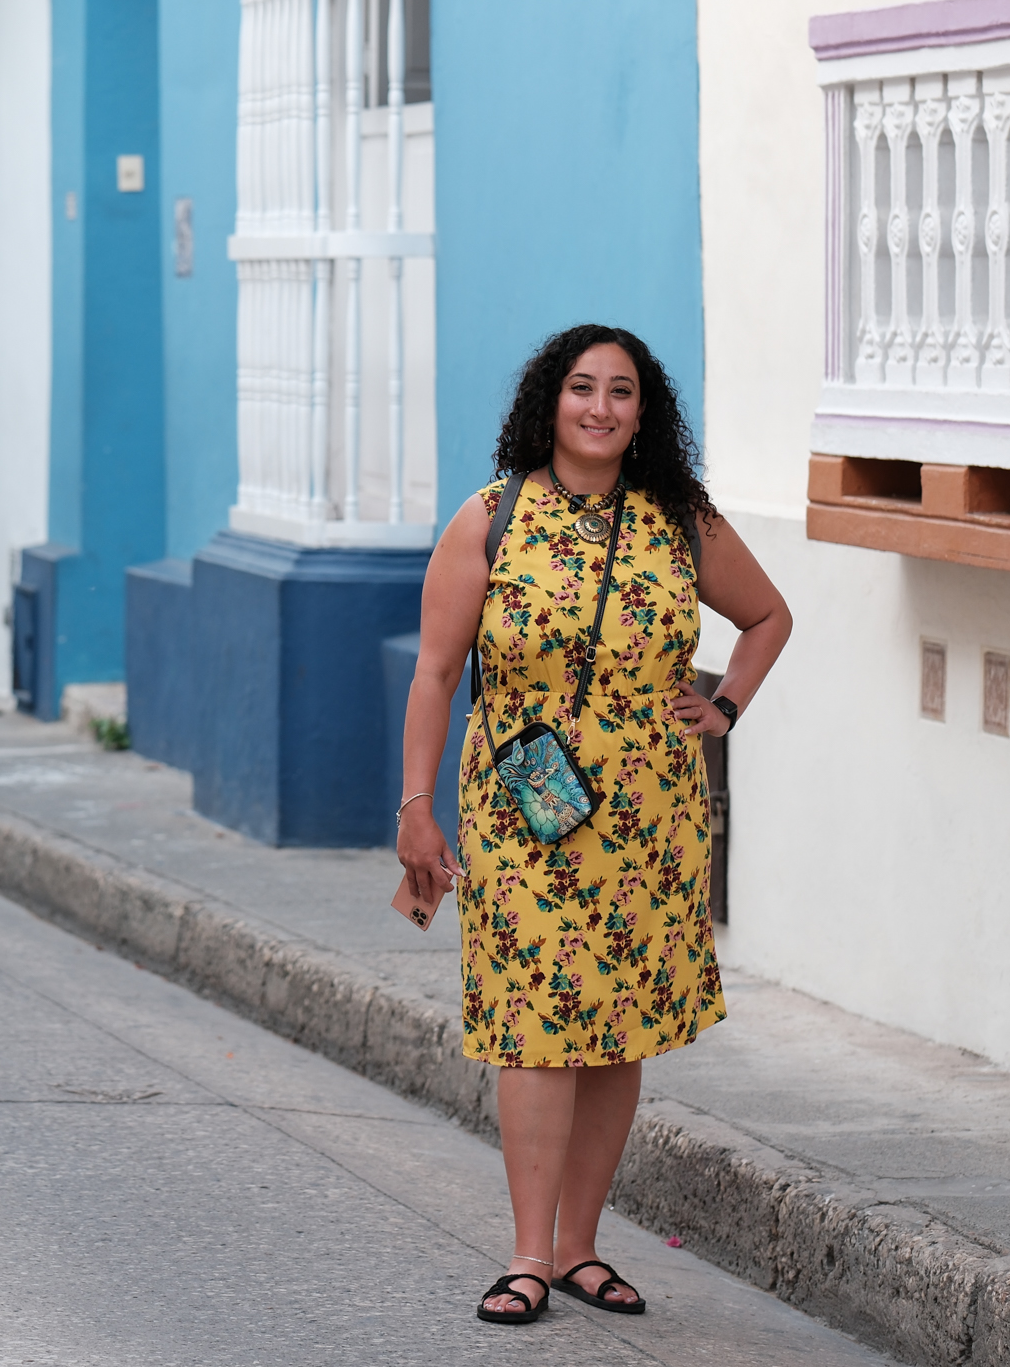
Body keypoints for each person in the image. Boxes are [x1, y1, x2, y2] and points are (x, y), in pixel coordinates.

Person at [395, 323, 791, 1325]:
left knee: (616, 1028)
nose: (600, 407)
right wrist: (415, 808)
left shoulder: (679, 520)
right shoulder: (491, 517)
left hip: (648, 819)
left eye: (621, 390)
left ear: (642, 412)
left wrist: (724, 705)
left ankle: (579, 1247)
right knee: (534, 1026)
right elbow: (435, 672)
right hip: (522, 811)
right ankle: (528, 1253)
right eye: (582, 387)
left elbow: (768, 616)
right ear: (551, 401)